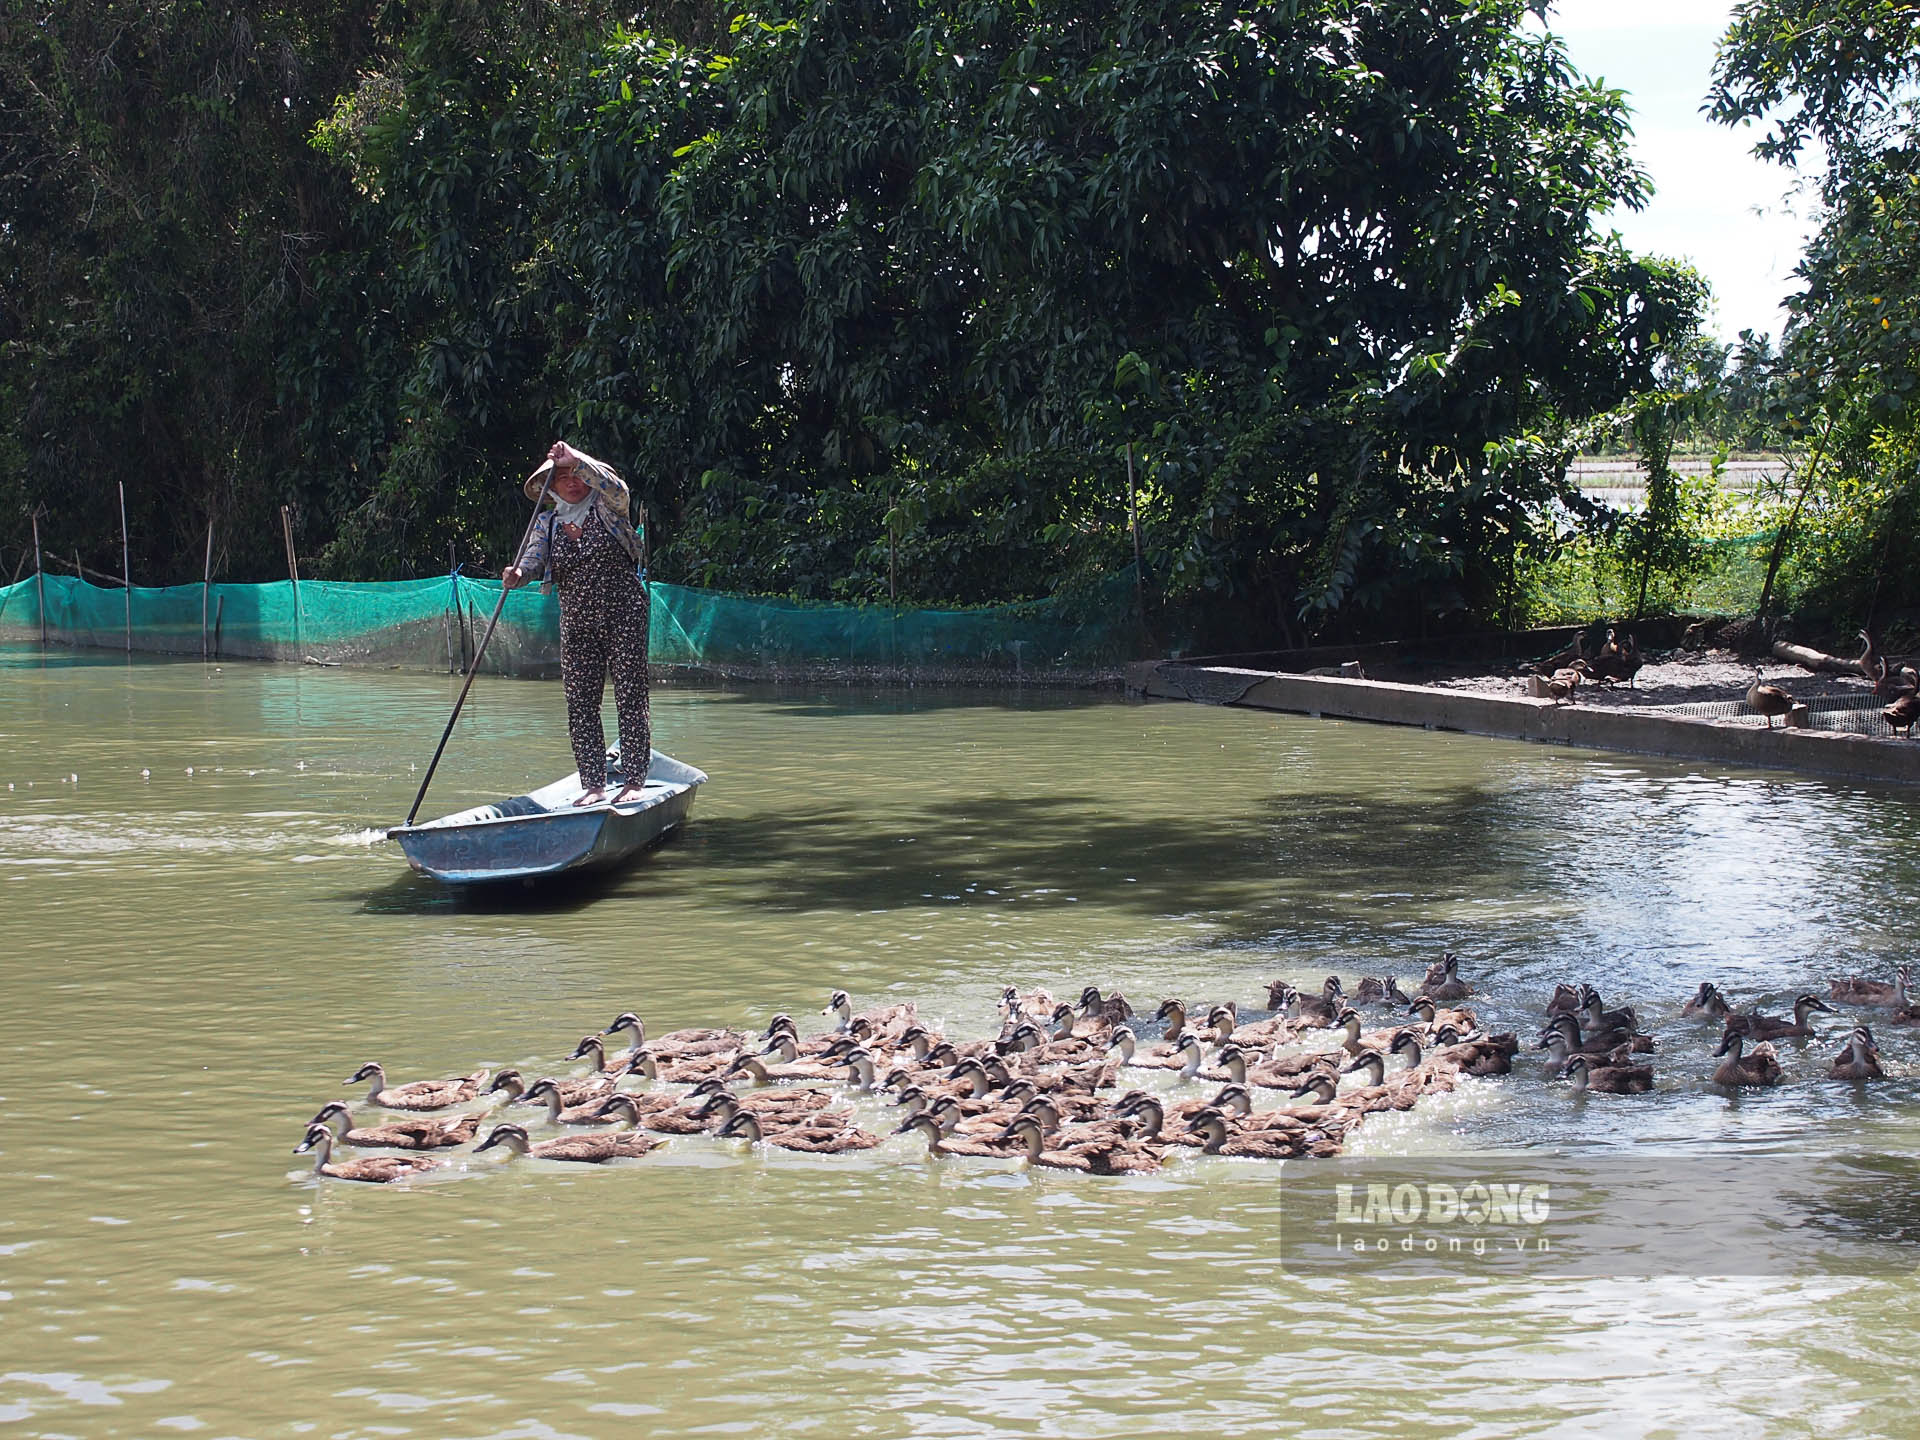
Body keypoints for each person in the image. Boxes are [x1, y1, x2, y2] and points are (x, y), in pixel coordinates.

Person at [502, 440, 650, 806]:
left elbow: (619, 489)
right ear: (550, 488)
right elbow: (532, 560)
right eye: (562, 477)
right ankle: (594, 785)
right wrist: (517, 574)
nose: (571, 482)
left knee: (630, 694)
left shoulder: (608, 507)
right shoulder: (547, 522)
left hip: (624, 613)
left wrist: (577, 460)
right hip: (578, 624)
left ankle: (634, 778)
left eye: (576, 475)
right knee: (580, 702)